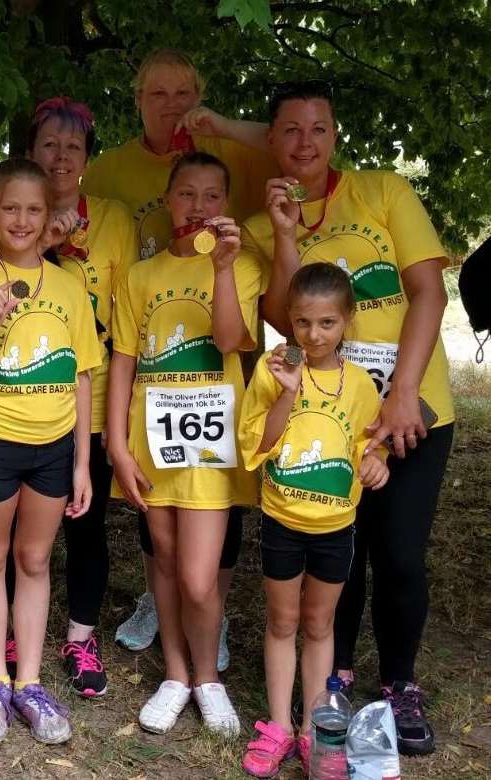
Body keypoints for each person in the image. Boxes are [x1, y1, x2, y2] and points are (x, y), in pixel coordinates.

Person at [243, 79, 454, 756]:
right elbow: (280, 317)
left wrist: (402, 389)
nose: (304, 142)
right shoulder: (262, 219)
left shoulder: (384, 191)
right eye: (290, 130)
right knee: (341, 547)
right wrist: (281, 235)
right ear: (271, 140)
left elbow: (426, 289)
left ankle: (397, 682)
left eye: (318, 129)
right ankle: (330, 677)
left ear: (335, 136)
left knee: (396, 550)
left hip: (408, 406)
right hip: (319, 414)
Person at [84, 49, 278, 662]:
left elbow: (293, 148)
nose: (171, 105)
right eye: (157, 93)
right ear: (138, 99)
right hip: (147, 353)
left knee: (214, 499)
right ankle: (161, 609)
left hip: (220, 375)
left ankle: (208, 613)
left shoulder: (232, 152)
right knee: (161, 521)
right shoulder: (110, 169)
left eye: (182, 93)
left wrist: (221, 128)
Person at [107, 152, 260, 736]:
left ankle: (208, 679)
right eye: (188, 195)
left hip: (212, 447)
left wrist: (222, 269)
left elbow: (229, 338)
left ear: (226, 203)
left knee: (200, 577)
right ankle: (176, 675)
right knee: (165, 564)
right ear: (169, 201)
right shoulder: (140, 276)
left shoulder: (242, 266)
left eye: (213, 196)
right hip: (152, 440)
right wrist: (119, 444)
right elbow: (124, 361)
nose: (199, 207)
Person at [0, 158, 100, 745]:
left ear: (49, 218)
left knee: (35, 560)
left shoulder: (69, 286)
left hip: (54, 449)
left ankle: (30, 683)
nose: (21, 219)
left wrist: (84, 462)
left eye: (33, 210)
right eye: (10, 207)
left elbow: (85, 376)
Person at [238, 263, 388, 777]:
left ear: (347, 321)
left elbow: (370, 442)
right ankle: (279, 724)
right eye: (303, 323)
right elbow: (258, 444)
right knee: (282, 622)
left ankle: (313, 731)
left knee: (319, 624)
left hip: (335, 528)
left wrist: (378, 459)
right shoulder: (271, 367)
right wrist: (287, 391)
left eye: (327, 323)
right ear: (288, 320)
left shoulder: (362, 385)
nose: (314, 334)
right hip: (282, 521)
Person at [16, 97, 137, 698]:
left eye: (73, 147)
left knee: (86, 527)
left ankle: (80, 637)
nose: (60, 157)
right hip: (25, 402)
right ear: (31, 153)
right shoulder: (15, 214)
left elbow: (129, 318)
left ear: (87, 158)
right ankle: (17, 633)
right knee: (22, 527)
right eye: (49, 146)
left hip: (91, 398)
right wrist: (44, 243)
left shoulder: (116, 218)